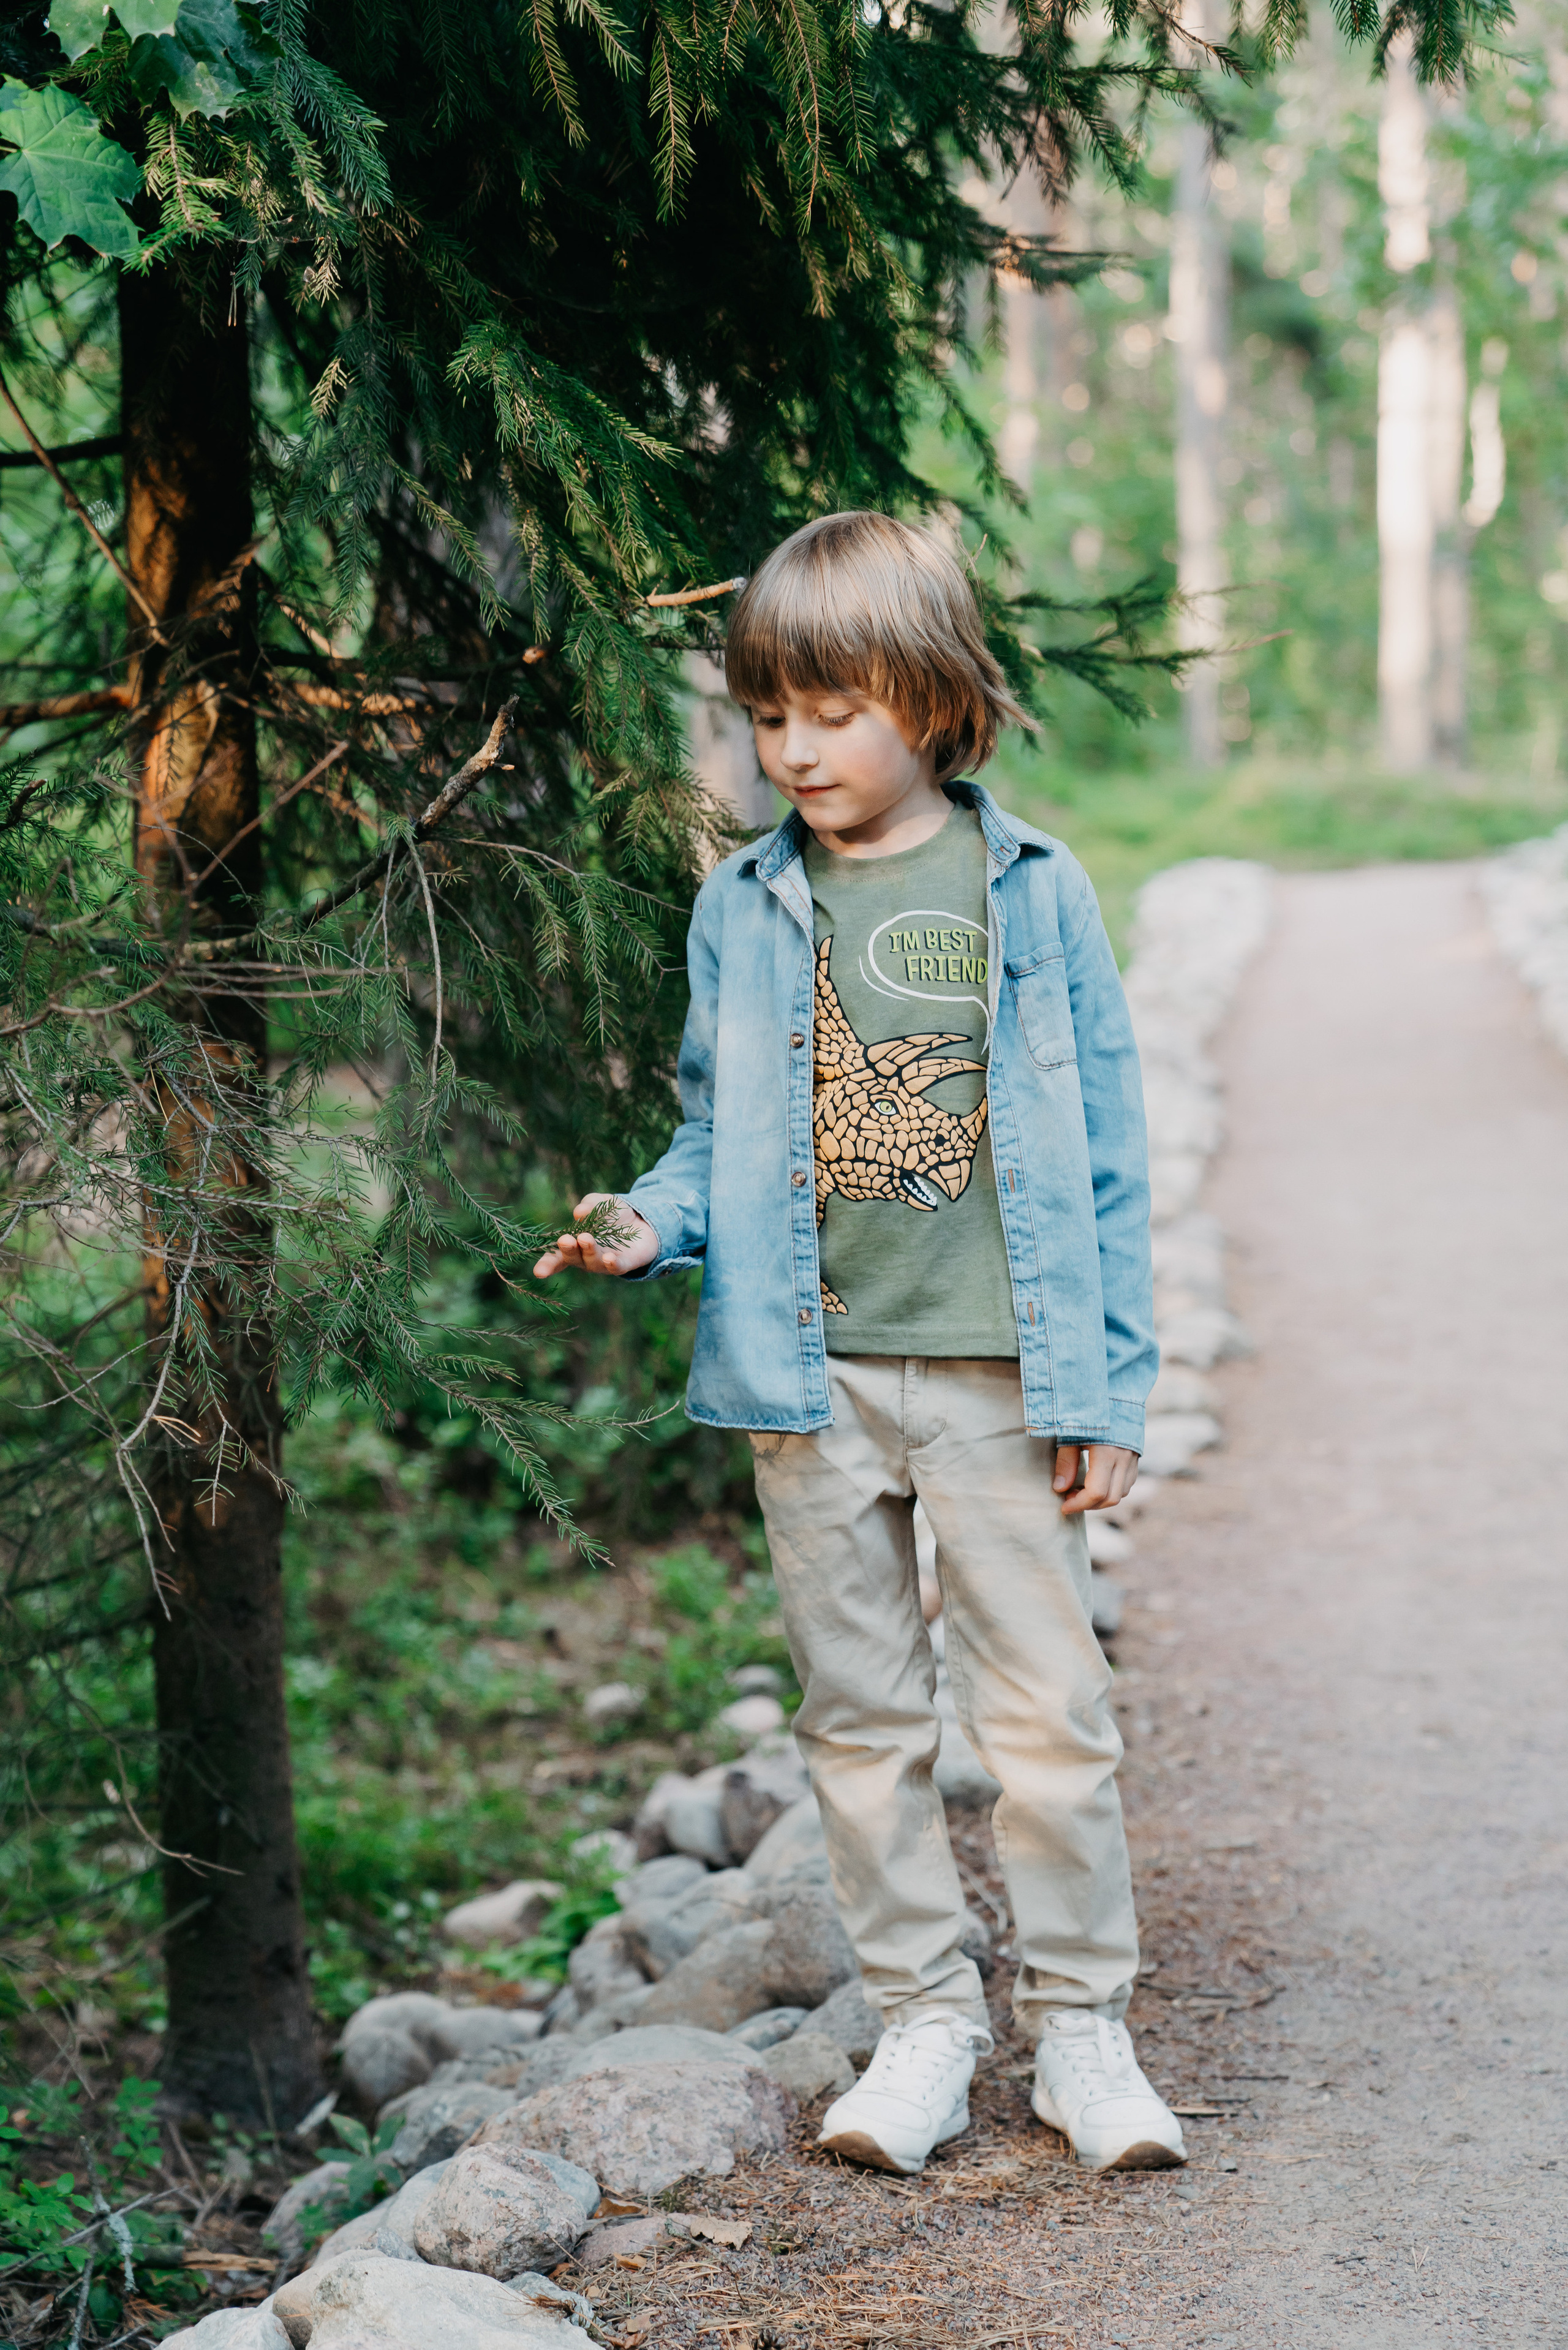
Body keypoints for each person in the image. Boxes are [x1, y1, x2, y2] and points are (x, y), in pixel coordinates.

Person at [533, 511, 1184, 2178]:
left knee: (1047, 1710)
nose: (794, 748)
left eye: (833, 709)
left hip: (996, 1373)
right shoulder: (743, 908)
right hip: (807, 1383)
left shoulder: (1031, 889)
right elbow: (707, 1136)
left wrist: (1105, 1383)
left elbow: (1107, 1147)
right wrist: (650, 1223)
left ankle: (1084, 2029)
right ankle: (926, 2025)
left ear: (934, 696)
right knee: (861, 1720)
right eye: (768, 715)